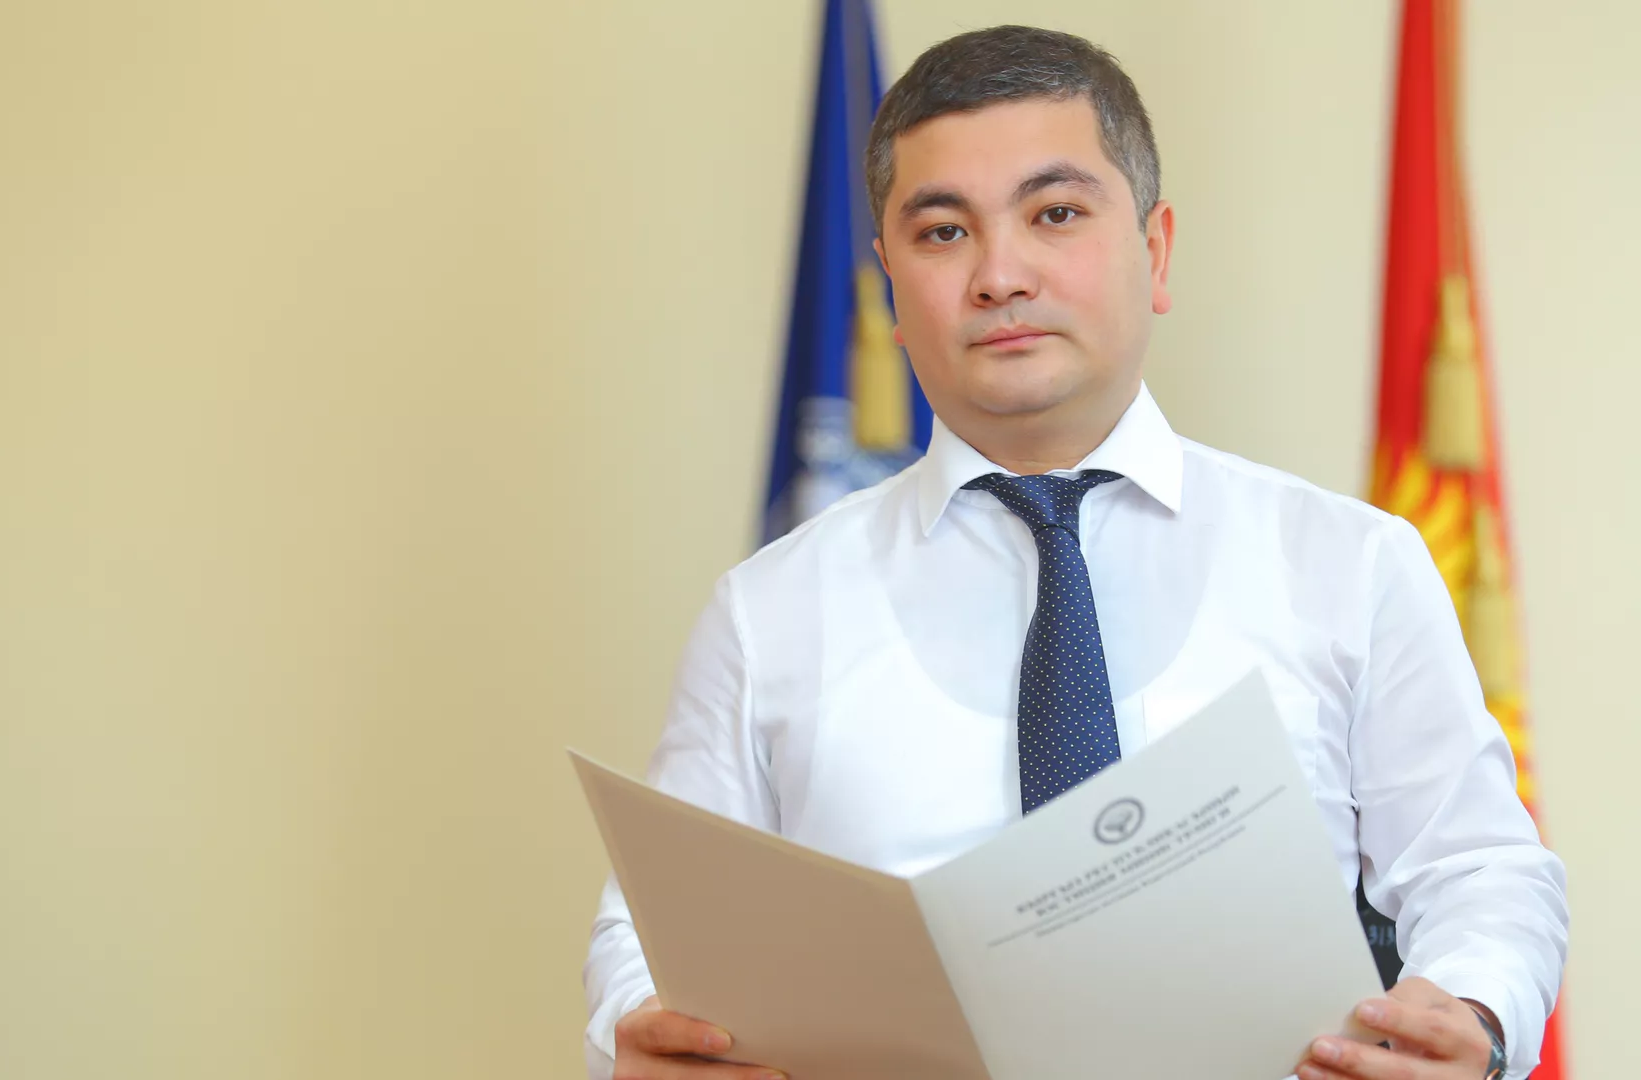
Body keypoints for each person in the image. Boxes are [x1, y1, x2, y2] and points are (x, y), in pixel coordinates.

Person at [584, 24, 1565, 1080]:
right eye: (943, 232)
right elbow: (651, 923)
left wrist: (1472, 1016)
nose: (1000, 275)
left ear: (1156, 250)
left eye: (1054, 214)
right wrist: (637, 1029)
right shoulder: (767, 612)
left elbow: (1482, 869)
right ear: (889, 284)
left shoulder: (1349, 565)